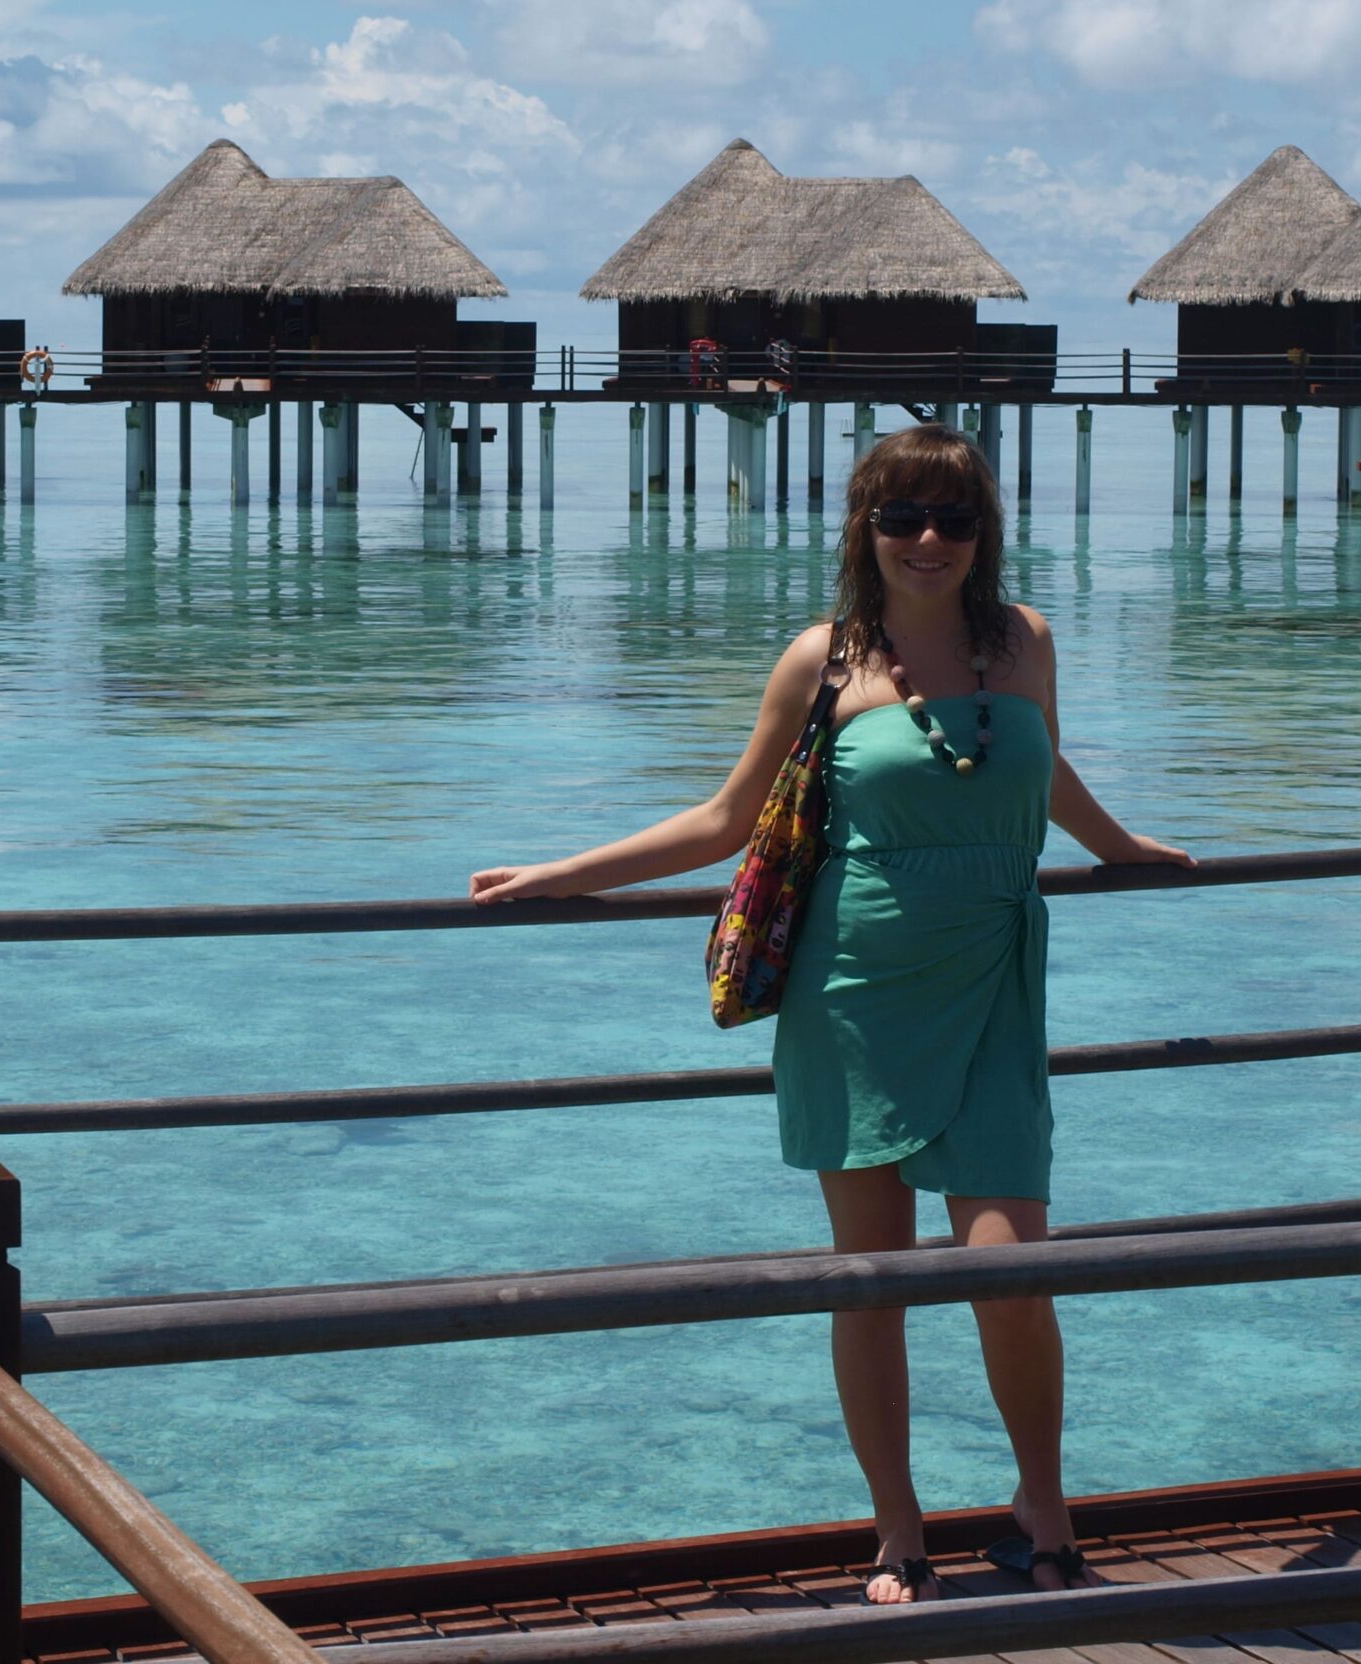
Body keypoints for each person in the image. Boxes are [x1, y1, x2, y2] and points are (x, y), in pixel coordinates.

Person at [471, 423, 1192, 1605]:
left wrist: (1120, 847)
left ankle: (1041, 1503)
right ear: (865, 529)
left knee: (1012, 1271)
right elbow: (724, 819)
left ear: (984, 533)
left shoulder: (1025, 642)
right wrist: (560, 873)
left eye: (953, 518)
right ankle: (897, 1526)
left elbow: (1041, 768)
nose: (928, 539)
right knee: (872, 1278)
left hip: (995, 988)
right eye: (902, 516)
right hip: (852, 995)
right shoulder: (824, 660)